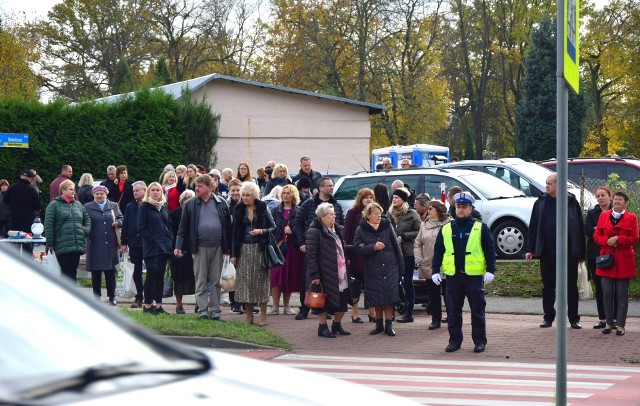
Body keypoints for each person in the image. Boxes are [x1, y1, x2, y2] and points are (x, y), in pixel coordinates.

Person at [431, 192, 496, 353]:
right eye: (458, 207)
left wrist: (490, 270)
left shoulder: (480, 227)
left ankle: (479, 341)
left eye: (464, 207)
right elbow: (438, 250)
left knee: (477, 311)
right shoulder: (446, 228)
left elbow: (489, 250)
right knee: (453, 311)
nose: (460, 210)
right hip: (453, 276)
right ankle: (454, 340)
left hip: (473, 276)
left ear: (470, 209)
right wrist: (435, 271)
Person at [525, 173, 585, 329]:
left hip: (568, 253)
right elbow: (533, 226)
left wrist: (581, 253)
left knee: (571, 287)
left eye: (550, 183)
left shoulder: (571, 202)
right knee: (548, 286)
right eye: (546, 183)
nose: (546, 186)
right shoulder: (541, 202)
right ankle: (548, 317)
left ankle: (573, 319)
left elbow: (579, 227)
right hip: (547, 252)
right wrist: (530, 249)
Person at [175, 174, 231, 321]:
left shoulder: (221, 202)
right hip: (199, 247)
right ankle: (203, 311)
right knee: (200, 280)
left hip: (218, 247)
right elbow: (183, 228)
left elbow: (228, 227)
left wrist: (228, 247)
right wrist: (178, 245)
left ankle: (215, 312)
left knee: (215, 281)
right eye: (196, 186)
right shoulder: (190, 204)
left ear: (209, 187)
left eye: (200, 186)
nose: (196, 188)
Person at [293, 176, 345, 320]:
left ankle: (326, 308)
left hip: (331, 249)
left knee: (330, 279)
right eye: (328, 185)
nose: (331, 188)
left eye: (332, 186)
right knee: (308, 277)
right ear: (320, 188)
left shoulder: (337, 205)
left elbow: (341, 226)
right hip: (312, 245)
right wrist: (302, 243)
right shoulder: (309, 204)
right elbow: (297, 224)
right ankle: (304, 308)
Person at [353, 202, 403, 336]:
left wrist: (400, 266)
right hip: (373, 268)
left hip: (390, 266)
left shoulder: (387, 225)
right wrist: (372, 247)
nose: (379, 215)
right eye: (376, 213)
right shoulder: (361, 229)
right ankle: (378, 324)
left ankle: (389, 325)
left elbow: (395, 246)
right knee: (376, 297)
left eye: (380, 213)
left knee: (389, 296)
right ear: (368, 215)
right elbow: (357, 248)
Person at [593, 191, 639, 336]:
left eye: (621, 200)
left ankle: (620, 325)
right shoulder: (604, 216)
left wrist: (618, 238)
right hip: (607, 260)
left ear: (625, 203)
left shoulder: (632, 217)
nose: (617, 202)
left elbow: (634, 238)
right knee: (606, 292)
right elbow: (596, 236)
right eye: (616, 199)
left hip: (624, 260)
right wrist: (606, 241)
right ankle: (608, 323)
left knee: (621, 294)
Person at [230, 182, 275, 326]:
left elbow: (273, 227)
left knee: (261, 281)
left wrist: (261, 231)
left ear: (254, 195)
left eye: (247, 195)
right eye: (243, 195)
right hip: (243, 249)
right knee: (245, 283)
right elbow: (234, 233)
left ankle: (263, 315)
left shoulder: (262, 207)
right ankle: (249, 316)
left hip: (259, 249)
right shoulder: (238, 209)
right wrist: (233, 254)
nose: (244, 198)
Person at [305, 203, 351, 338]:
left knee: (342, 299)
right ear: (322, 217)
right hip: (323, 272)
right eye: (331, 214)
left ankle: (337, 324)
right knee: (323, 301)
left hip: (340, 271)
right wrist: (315, 275)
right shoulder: (314, 231)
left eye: (334, 214)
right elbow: (311, 254)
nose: (334, 217)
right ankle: (322, 327)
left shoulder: (337, 229)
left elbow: (344, 248)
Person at [44, 179, 91, 281]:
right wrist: (50, 243)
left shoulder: (78, 205)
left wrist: (86, 231)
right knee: (64, 273)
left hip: (76, 244)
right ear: (63, 190)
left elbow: (87, 219)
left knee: (73, 272)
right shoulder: (54, 205)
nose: (73, 191)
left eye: (74, 189)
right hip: (62, 244)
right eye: (70, 189)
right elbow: (48, 225)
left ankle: (72, 295)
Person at [137, 182, 173, 315]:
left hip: (164, 248)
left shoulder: (164, 207)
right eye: (153, 190)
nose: (156, 192)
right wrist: (155, 240)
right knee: (151, 276)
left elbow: (169, 226)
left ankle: (158, 305)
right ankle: (147, 305)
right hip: (151, 248)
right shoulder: (144, 207)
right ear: (148, 192)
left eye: (158, 190)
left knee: (160, 276)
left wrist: (169, 241)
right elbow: (141, 229)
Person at [414, 200, 450, 330]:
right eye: (428, 209)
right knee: (433, 295)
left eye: (431, 209)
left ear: (438, 210)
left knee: (448, 294)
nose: (428, 211)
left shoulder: (449, 224)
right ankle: (436, 319)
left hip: (447, 264)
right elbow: (418, 243)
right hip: (428, 263)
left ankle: (452, 317)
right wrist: (419, 260)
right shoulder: (424, 225)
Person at [84, 185, 122, 305]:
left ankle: (112, 296)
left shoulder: (113, 206)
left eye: (102, 193)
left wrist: (118, 223)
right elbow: (83, 221)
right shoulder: (87, 207)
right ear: (93, 195)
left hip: (111, 243)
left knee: (111, 272)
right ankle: (97, 297)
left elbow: (122, 218)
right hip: (94, 243)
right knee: (96, 272)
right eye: (97, 194)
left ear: (106, 194)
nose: (99, 196)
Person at [268, 184, 303, 315]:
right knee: (276, 276)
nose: (286, 195)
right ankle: (275, 306)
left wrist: (292, 231)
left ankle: (287, 305)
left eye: (289, 193)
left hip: (292, 249)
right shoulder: (275, 210)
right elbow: (269, 227)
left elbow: (302, 230)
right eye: (284, 193)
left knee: (289, 276)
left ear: (294, 195)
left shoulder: (299, 212)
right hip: (277, 247)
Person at [343, 187, 375, 323]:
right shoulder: (352, 213)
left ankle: (372, 312)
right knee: (356, 284)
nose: (369, 199)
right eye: (366, 197)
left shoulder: (375, 213)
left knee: (372, 284)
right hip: (356, 254)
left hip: (371, 254)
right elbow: (347, 235)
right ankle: (355, 312)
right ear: (360, 199)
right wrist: (348, 256)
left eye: (371, 197)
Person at [388, 188, 421, 323]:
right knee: (394, 281)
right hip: (393, 252)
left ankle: (409, 311)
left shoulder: (411, 214)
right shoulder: (389, 214)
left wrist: (404, 236)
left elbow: (419, 230)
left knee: (407, 281)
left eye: (397, 197)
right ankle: (394, 309)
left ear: (403, 200)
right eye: (393, 197)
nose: (394, 200)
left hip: (408, 252)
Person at [585, 186, 614, 328]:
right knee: (599, 287)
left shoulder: (617, 212)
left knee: (612, 287)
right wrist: (600, 231)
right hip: (595, 255)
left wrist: (599, 230)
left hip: (613, 254)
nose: (600, 198)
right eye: (598, 196)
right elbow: (588, 230)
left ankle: (613, 318)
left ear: (610, 196)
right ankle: (602, 318)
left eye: (603, 195)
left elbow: (616, 231)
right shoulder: (592, 213)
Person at [120, 181, 147, 308]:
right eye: (134, 191)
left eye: (137, 190)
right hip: (134, 243)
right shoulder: (130, 206)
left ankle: (150, 297)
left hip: (148, 243)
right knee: (136, 271)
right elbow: (125, 224)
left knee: (152, 271)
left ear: (145, 190)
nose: (135, 193)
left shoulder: (150, 205)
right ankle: (139, 297)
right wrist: (124, 242)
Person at [169, 189, 196, 314]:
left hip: (194, 249)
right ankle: (179, 305)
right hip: (178, 249)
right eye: (186, 198)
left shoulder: (197, 213)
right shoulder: (174, 214)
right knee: (178, 278)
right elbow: (171, 232)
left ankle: (199, 304)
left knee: (197, 277)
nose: (188, 200)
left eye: (191, 197)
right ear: (181, 201)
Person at [3, 169, 41, 235]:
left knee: (15, 240)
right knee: (27, 240)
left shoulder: (12, 188)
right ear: (30, 179)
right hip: (28, 219)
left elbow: (5, 201)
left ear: (21, 177)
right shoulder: (32, 190)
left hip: (14, 219)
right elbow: (37, 206)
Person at [226, 179, 243, 314]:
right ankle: (234, 303)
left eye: (238, 190)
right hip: (230, 243)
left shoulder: (248, 204)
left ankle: (245, 302)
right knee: (233, 274)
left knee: (244, 274)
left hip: (245, 242)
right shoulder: (225, 205)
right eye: (233, 190)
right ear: (229, 191)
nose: (236, 193)